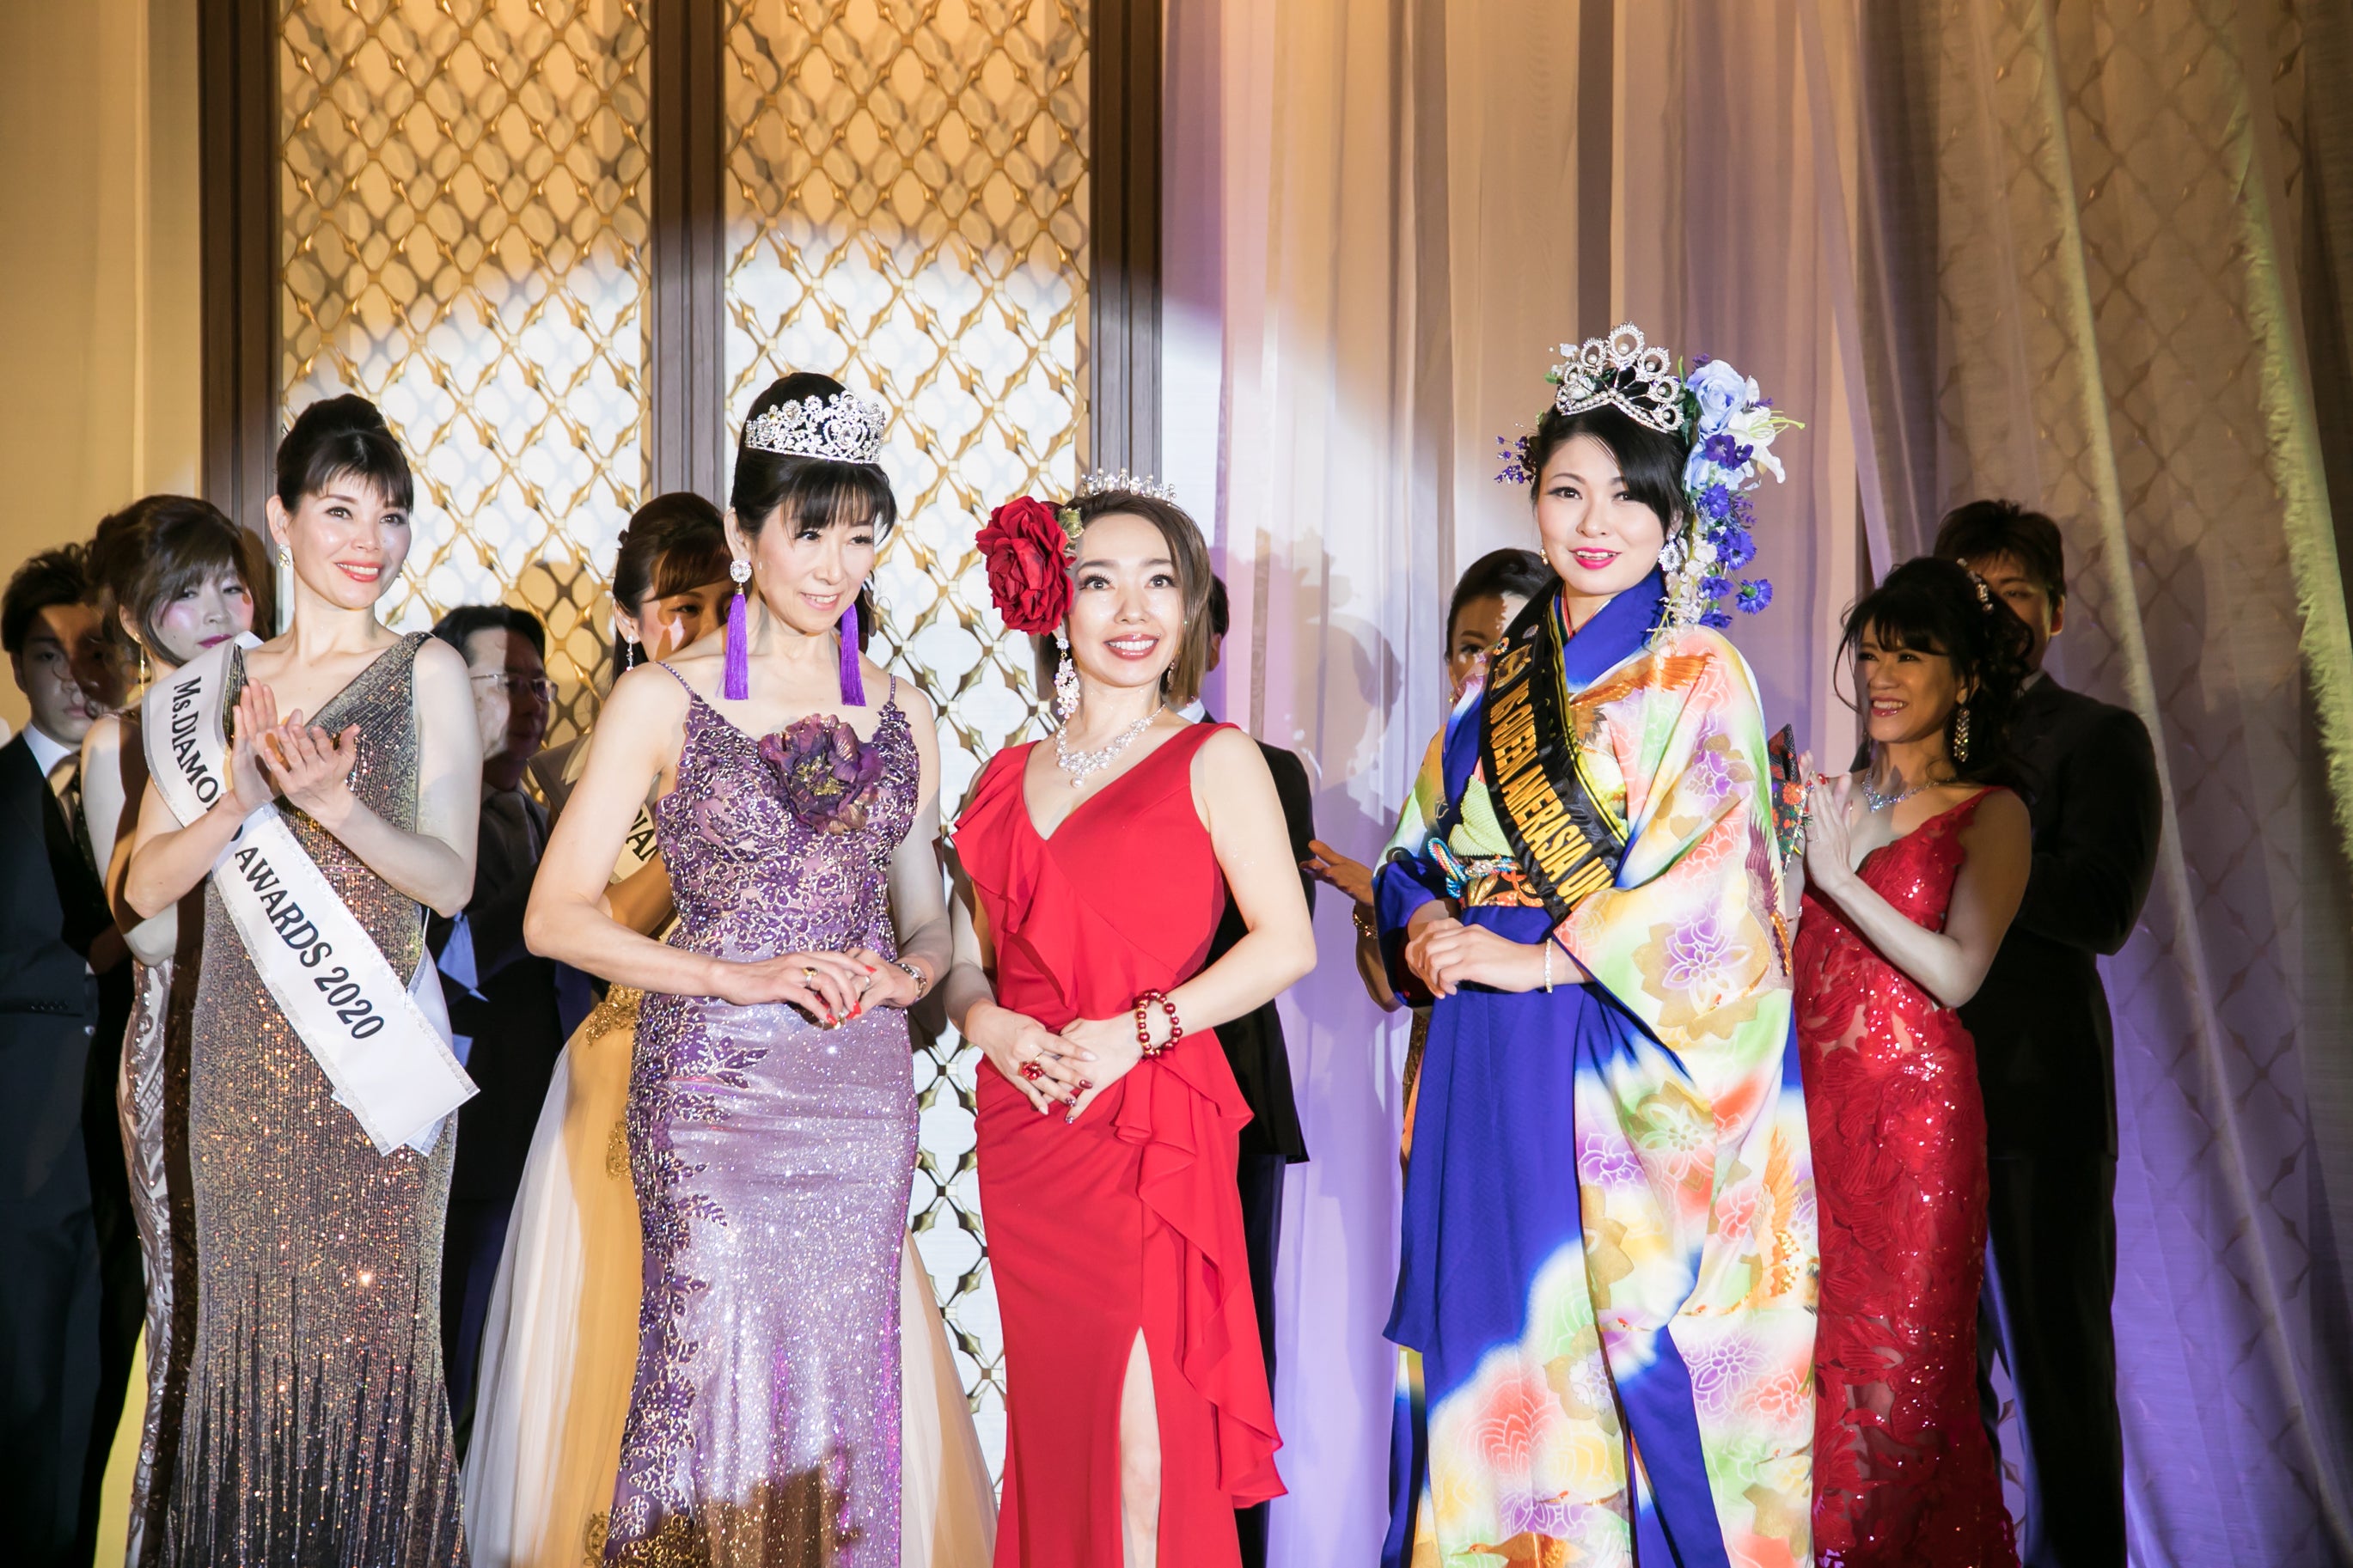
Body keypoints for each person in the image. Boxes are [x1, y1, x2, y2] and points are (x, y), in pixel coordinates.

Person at [466, 497, 994, 1567]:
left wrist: (913, 971)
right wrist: (729, 975)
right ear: (747, 536)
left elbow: (924, 910)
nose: (835, 564)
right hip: (713, 1087)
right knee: (701, 1377)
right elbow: (554, 917)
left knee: (844, 1388)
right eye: (810, 533)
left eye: (860, 538)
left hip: (857, 1095)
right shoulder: (662, 696)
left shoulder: (902, 707)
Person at [1374, 326, 1816, 1565]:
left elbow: (1714, 887)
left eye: (1627, 496)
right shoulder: (1495, 689)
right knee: (1489, 1329)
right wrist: (1423, 922)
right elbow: (1415, 849)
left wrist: (1537, 958)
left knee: (1592, 1327)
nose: (1594, 521)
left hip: (1603, 1048)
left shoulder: (1694, 671)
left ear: (1671, 520)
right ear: (1534, 499)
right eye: (1567, 490)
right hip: (1479, 1050)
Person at [125, 394, 483, 1561]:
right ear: (279, 520)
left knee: (376, 1366)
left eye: (391, 515)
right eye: (339, 510)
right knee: (245, 1364)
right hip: (239, 1078)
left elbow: (449, 882)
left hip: (374, 1085)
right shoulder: (209, 692)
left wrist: (336, 806)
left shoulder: (426, 671)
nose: (368, 541)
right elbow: (141, 892)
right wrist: (235, 800)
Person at [944, 479, 1313, 1567]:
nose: (1133, 609)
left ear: (1190, 607)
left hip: (1148, 1129)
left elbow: (1284, 944)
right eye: (1099, 582)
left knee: (1147, 1449)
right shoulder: (1001, 779)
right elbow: (965, 963)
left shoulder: (1215, 758)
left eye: (1159, 581)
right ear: (1055, 605)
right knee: (1061, 1439)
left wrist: (1137, 1032)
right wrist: (989, 1026)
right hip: (1030, 1131)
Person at [1794, 556, 2035, 1564]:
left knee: (1894, 1396)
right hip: (1802, 1123)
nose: (1882, 675)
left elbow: (1959, 972)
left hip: (1912, 1133)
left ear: (1965, 678)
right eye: (1871, 653)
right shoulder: (1823, 797)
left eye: (1912, 655)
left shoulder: (1992, 810)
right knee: (1799, 1384)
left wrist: (1838, 879)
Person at [1934, 500, 2158, 1568]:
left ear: (2055, 613)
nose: (1991, 610)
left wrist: (1970, 829)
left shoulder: (2098, 737)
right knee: (1936, 1386)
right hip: (1916, 1105)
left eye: (2014, 592)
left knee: (2056, 1379)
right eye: (1970, 591)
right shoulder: (1910, 740)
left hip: (2035, 1105)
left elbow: (2103, 908)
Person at [79, 497, 266, 1565]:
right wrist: (230, 804)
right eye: (186, 593)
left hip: (306, 1051)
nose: (219, 610)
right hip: (186, 1052)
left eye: (230, 584)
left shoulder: (292, 703)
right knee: (199, 1321)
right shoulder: (120, 740)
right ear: (134, 616)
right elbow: (144, 931)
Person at [1302, 546, 1551, 1141]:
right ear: (1446, 663)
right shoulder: (1443, 766)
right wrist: (1382, 903)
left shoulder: (1597, 760)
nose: (1486, 665)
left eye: (1510, 644)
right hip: (1449, 1048)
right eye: (1469, 648)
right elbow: (1390, 992)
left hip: (1553, 1031)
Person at [0, 544, 134, 1568]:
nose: (80, 676)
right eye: (54, 655)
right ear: (18, 666)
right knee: (23, 1403)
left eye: (98, 652)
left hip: (130, 1147)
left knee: (101, 1402)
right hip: (20, 1146)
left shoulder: (153, 783)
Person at [1191, 572, 1314, 1568]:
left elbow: (1278, 933)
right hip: (1093, 1094)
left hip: (1229, 1089)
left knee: (1233, 1362)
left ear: (1212, 642)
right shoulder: (1046, 771)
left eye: (1182, 608)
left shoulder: (1263, 770)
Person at [427, 602, 560, 1449]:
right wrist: (569, 896)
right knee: (458, 1374)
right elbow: (456, 959)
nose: (528, 703)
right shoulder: (421, 820)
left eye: (537, 684)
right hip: (470, 1141)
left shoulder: (543, 813)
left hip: (545, 1133)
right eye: (504, 682)